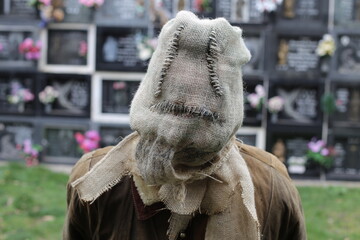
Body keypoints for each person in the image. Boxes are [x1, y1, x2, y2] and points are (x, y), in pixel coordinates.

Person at [63, 11, 306, 240]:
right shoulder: (96, 182)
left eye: (202, 95)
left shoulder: (270, 184)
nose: (184, 123)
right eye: (179, 92)